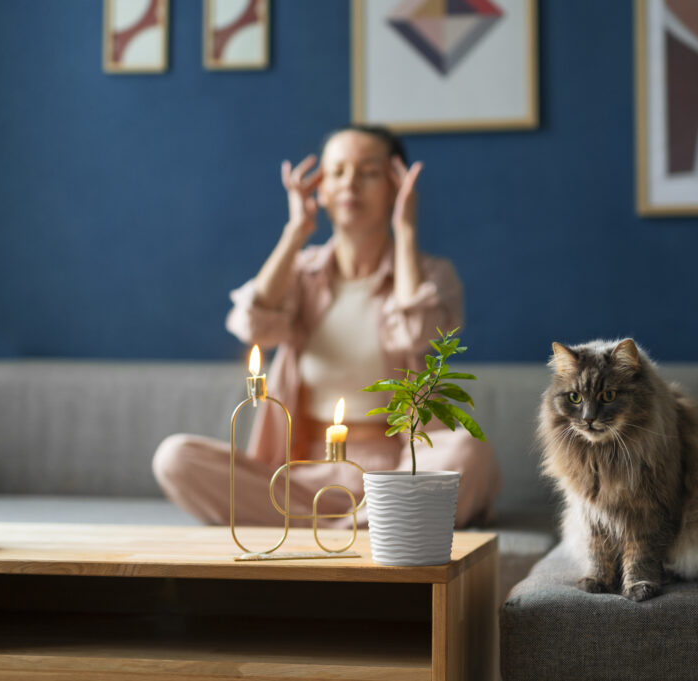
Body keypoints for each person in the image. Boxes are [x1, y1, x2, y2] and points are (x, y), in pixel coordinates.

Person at [152, 125, 501, 529]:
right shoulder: (303, 274)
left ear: (396, 186)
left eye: (368, 172)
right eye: (337, 172)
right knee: (175, 457)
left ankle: (332, 529)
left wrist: (405, 231)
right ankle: (368, 529)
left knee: (466, 452)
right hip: (303, 474)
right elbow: (253, 326)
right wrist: (295, 232)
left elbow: (418, 332)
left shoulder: (432, 276)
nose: (350, 183)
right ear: (321, 190)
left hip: (400, 472)